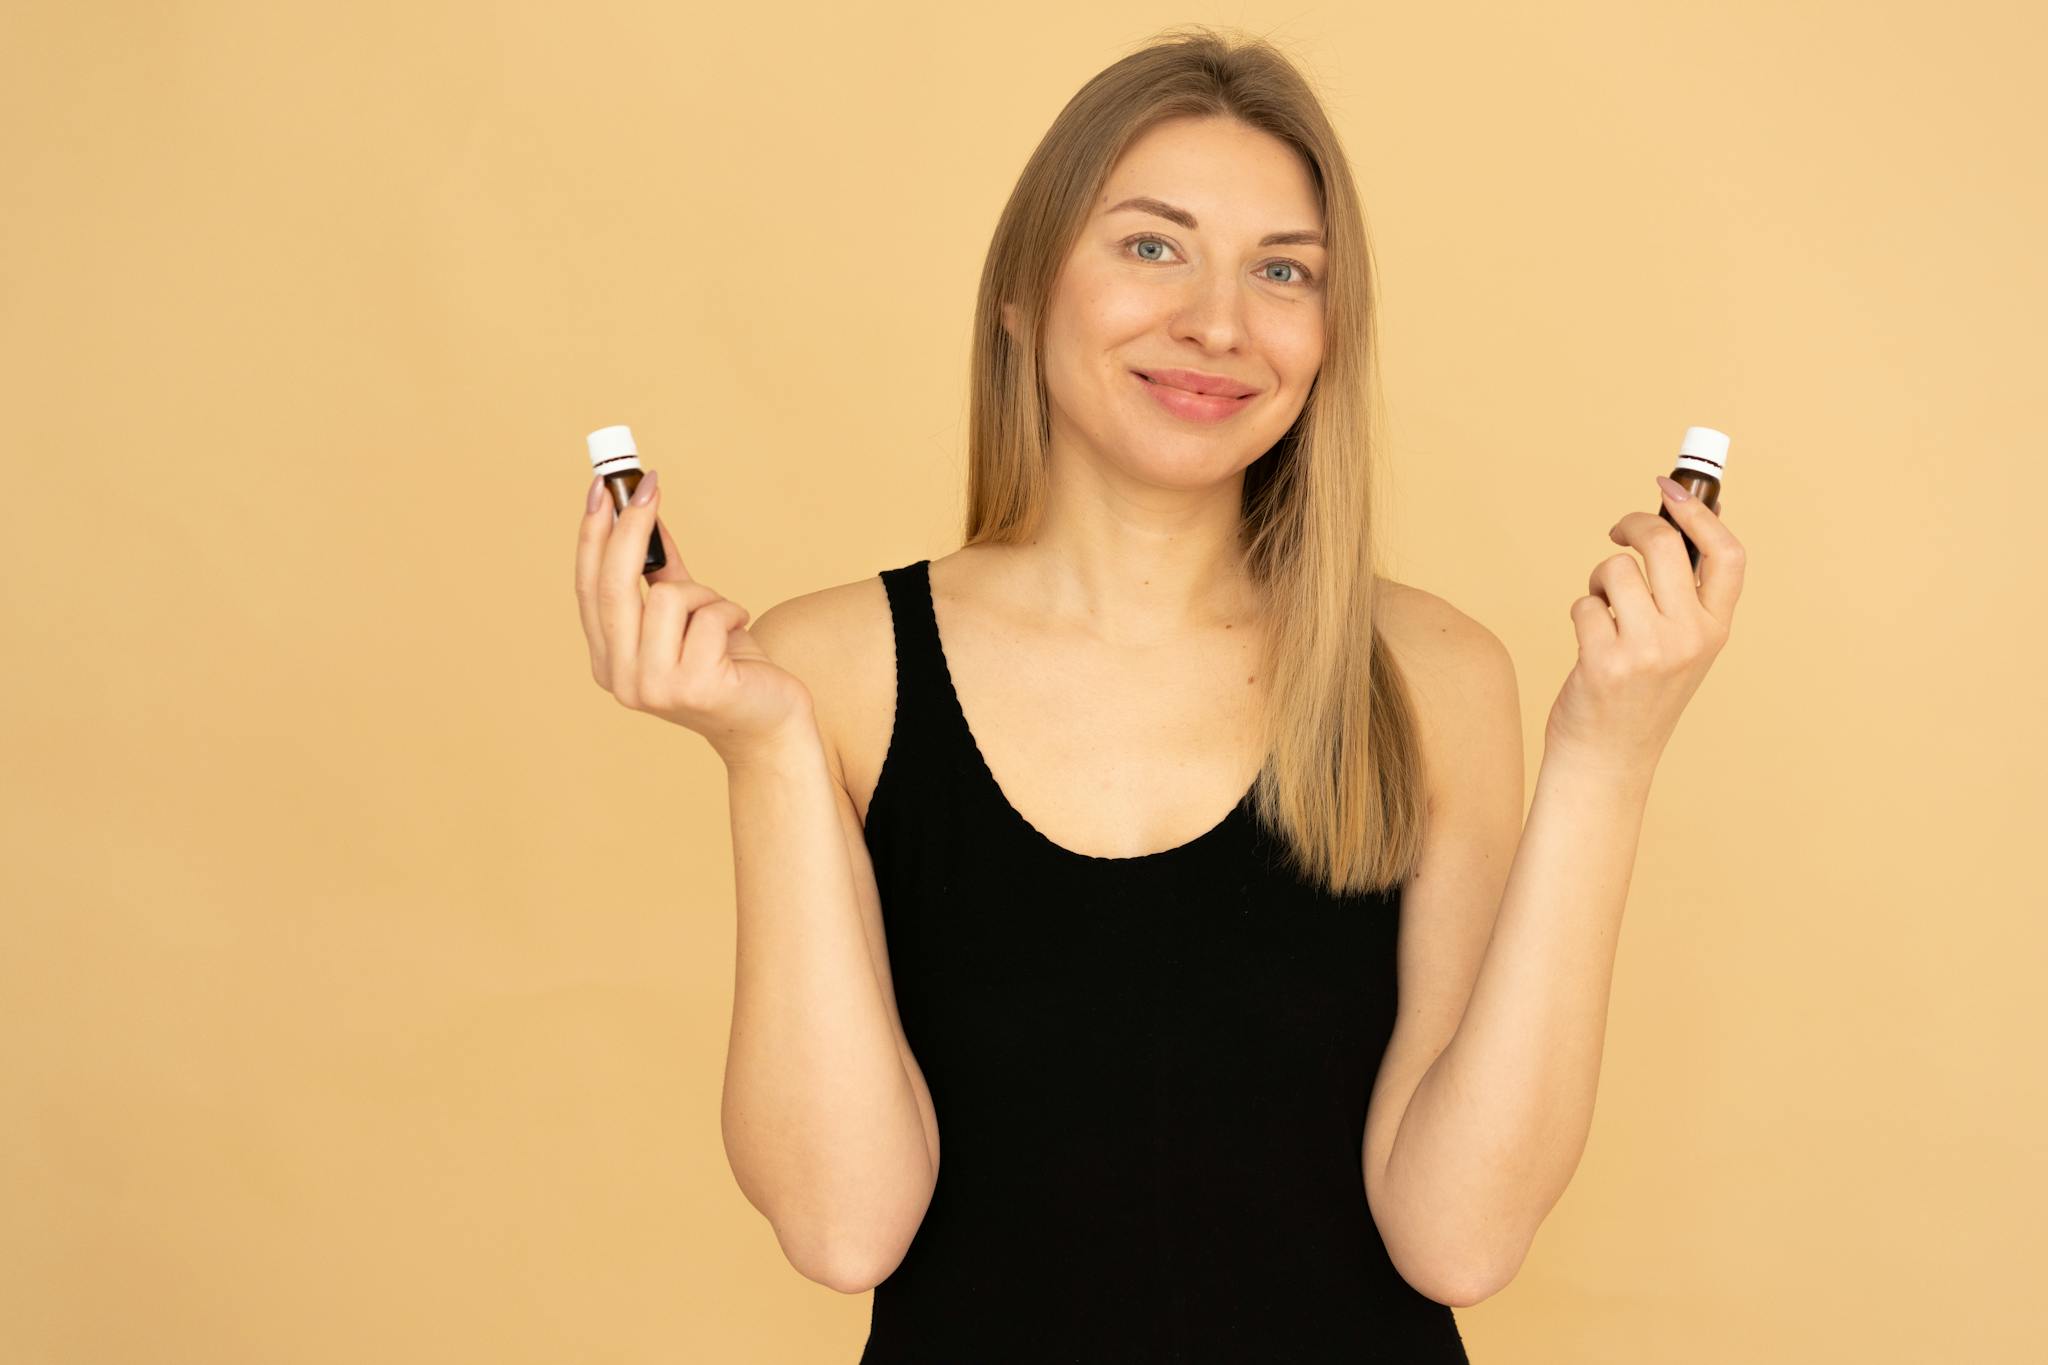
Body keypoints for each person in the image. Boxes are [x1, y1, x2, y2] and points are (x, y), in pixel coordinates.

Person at [572, 26, 1744, 1364]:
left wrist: (1608, 755)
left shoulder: (1432, 675)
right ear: (1022, 292)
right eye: (1150, 246)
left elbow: (1459, 1239)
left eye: (1283, 270)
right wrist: (766, 749)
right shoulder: (835, 670)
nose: (1218, 323)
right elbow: (845, 1229)